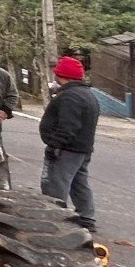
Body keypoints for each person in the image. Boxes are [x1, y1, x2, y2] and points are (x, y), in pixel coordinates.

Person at [39, 55, 99, 231]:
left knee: (54, 183)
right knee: (79, 183)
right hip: (82, 149)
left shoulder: (69, 97)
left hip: (67, 149)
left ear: (61, 75)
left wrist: (55, 145)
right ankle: (86, 217)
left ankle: (53, 217)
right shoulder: (88, 94)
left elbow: (68, 125)